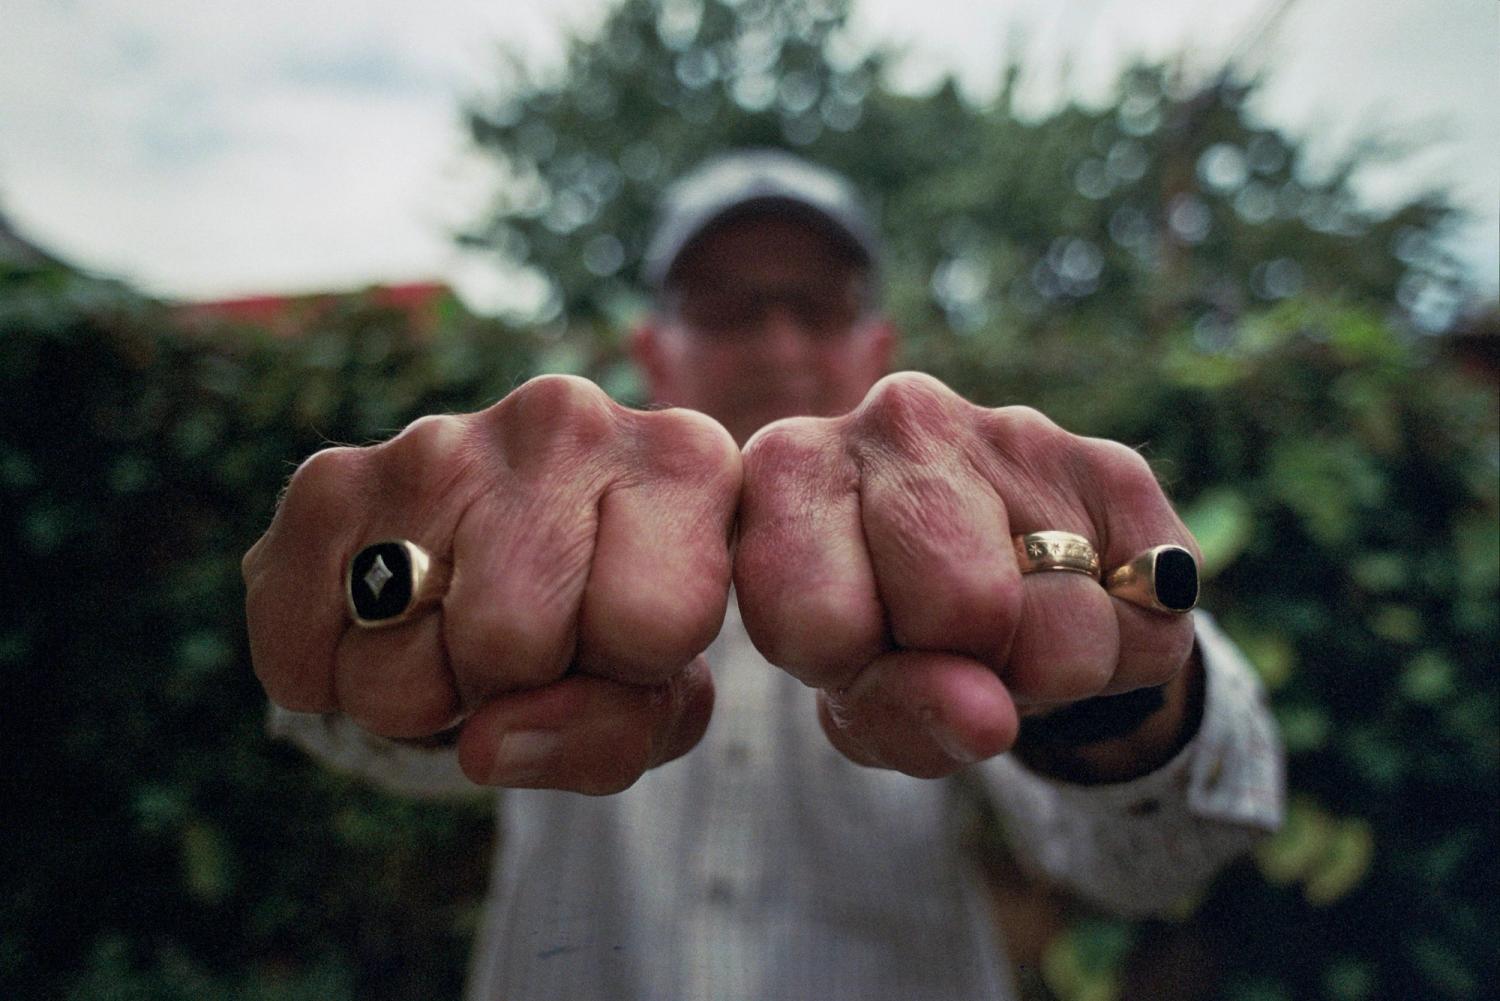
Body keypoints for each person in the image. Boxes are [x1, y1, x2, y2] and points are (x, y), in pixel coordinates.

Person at [243, 149, 1284, 1000]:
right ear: (654, 349)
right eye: (727, 305)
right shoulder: (526, 515)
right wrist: (407, 610)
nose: (777, 339)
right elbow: (363, 738)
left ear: (879, 345)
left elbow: (1165, 856)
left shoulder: (992, 519)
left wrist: (1112, 693)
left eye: (818, 306)